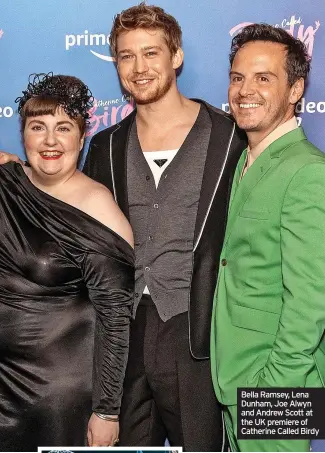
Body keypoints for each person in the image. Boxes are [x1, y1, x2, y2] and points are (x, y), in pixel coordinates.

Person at [82, 3, 246, 450]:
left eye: (151, 53)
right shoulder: (105, 146)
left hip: (198, 332)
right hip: (125, 335)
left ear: (176, 57)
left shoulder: (230, 137)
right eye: (126, 56)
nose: (138, 68)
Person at [0, 73, 134, 450]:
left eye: (64, 128)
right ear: (23, 135)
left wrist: (107, 410)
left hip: (56, 398)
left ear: (82, 136)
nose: (50, 140)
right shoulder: (4, 182)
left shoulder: (98, 208)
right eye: (37, 127)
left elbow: (116, 318)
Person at [210, 23, 325, 452]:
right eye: (238, 78)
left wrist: (274, 387)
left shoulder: (308, 172)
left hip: (276, 388)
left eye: (264, 78)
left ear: (295, 90)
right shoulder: (247, 158)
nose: (245, 90)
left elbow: (311, 300)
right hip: (236, 377)